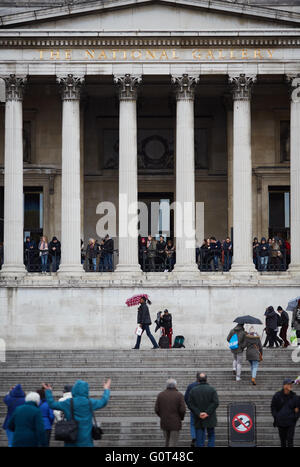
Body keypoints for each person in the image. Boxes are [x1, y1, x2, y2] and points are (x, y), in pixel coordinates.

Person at [43, 378, 111, 447]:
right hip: (86, 442)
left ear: (74, 390)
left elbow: (52, 404)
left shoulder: (68, 402)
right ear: (86, 390)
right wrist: (106, 390)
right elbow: (103, 402)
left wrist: (48, 391)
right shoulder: (90, 402)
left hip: (71, 440)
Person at [188, 373, 219, 448]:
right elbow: (216, 402)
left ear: (198, 380)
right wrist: (207, 412)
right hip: (210, 417)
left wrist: (199, 413)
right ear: (206, 379)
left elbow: (190, 404)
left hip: (198, 418)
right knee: (211, 436)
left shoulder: (193, 390)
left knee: (199, 439)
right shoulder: (212, 389)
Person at [155, 378, 186, 447]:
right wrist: (180, 418)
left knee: (167, 441)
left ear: (166, 385)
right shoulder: (179, 395)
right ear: (175, 385)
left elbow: (156, 409)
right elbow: (183, 410)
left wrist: (162, 415)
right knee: (173, 442)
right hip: (175, 422)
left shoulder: (161, 395)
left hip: (164, 421)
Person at [271, 378, 300, 448]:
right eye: (288, 384)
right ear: (284, 386)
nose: (290, 386)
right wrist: (276, 416)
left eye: (291, 384)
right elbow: (273, 407)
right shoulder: (277, 396)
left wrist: (295, 418)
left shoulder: (295, 397)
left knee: (290, 441)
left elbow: (298, 408)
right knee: (283, 441)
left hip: (290, 423)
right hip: (281, 422)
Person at [184, 374, 200, 447]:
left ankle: (194, 437)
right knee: (201, 424)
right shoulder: (206, 386)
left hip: (193, 409)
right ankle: (199, 439)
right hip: (202, 410)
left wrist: (190, 406)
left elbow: (186, 397)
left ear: (196, 378)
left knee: (193, 424)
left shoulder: (191, 386)